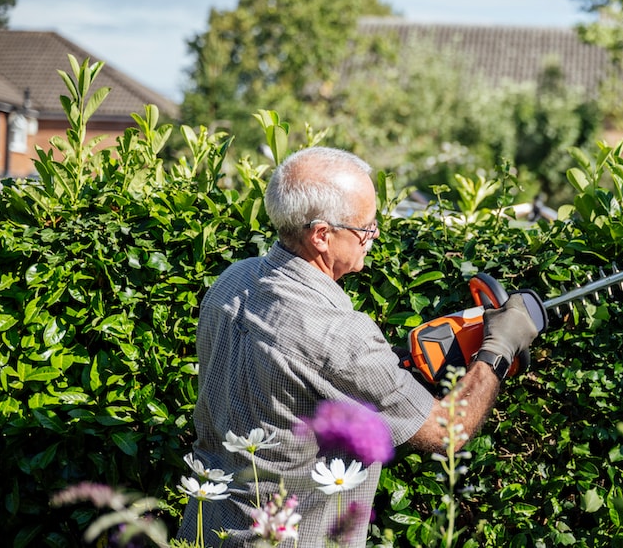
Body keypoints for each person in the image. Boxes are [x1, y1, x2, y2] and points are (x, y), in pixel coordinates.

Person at [176, 146, 538, 547]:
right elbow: (446, 432)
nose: (374, 236)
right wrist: (498, 349)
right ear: (321, 236)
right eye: (366, 228)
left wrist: (394, 366)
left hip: (206, 529)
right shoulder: (337, 333)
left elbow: (300, 380)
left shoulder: (232, 280)